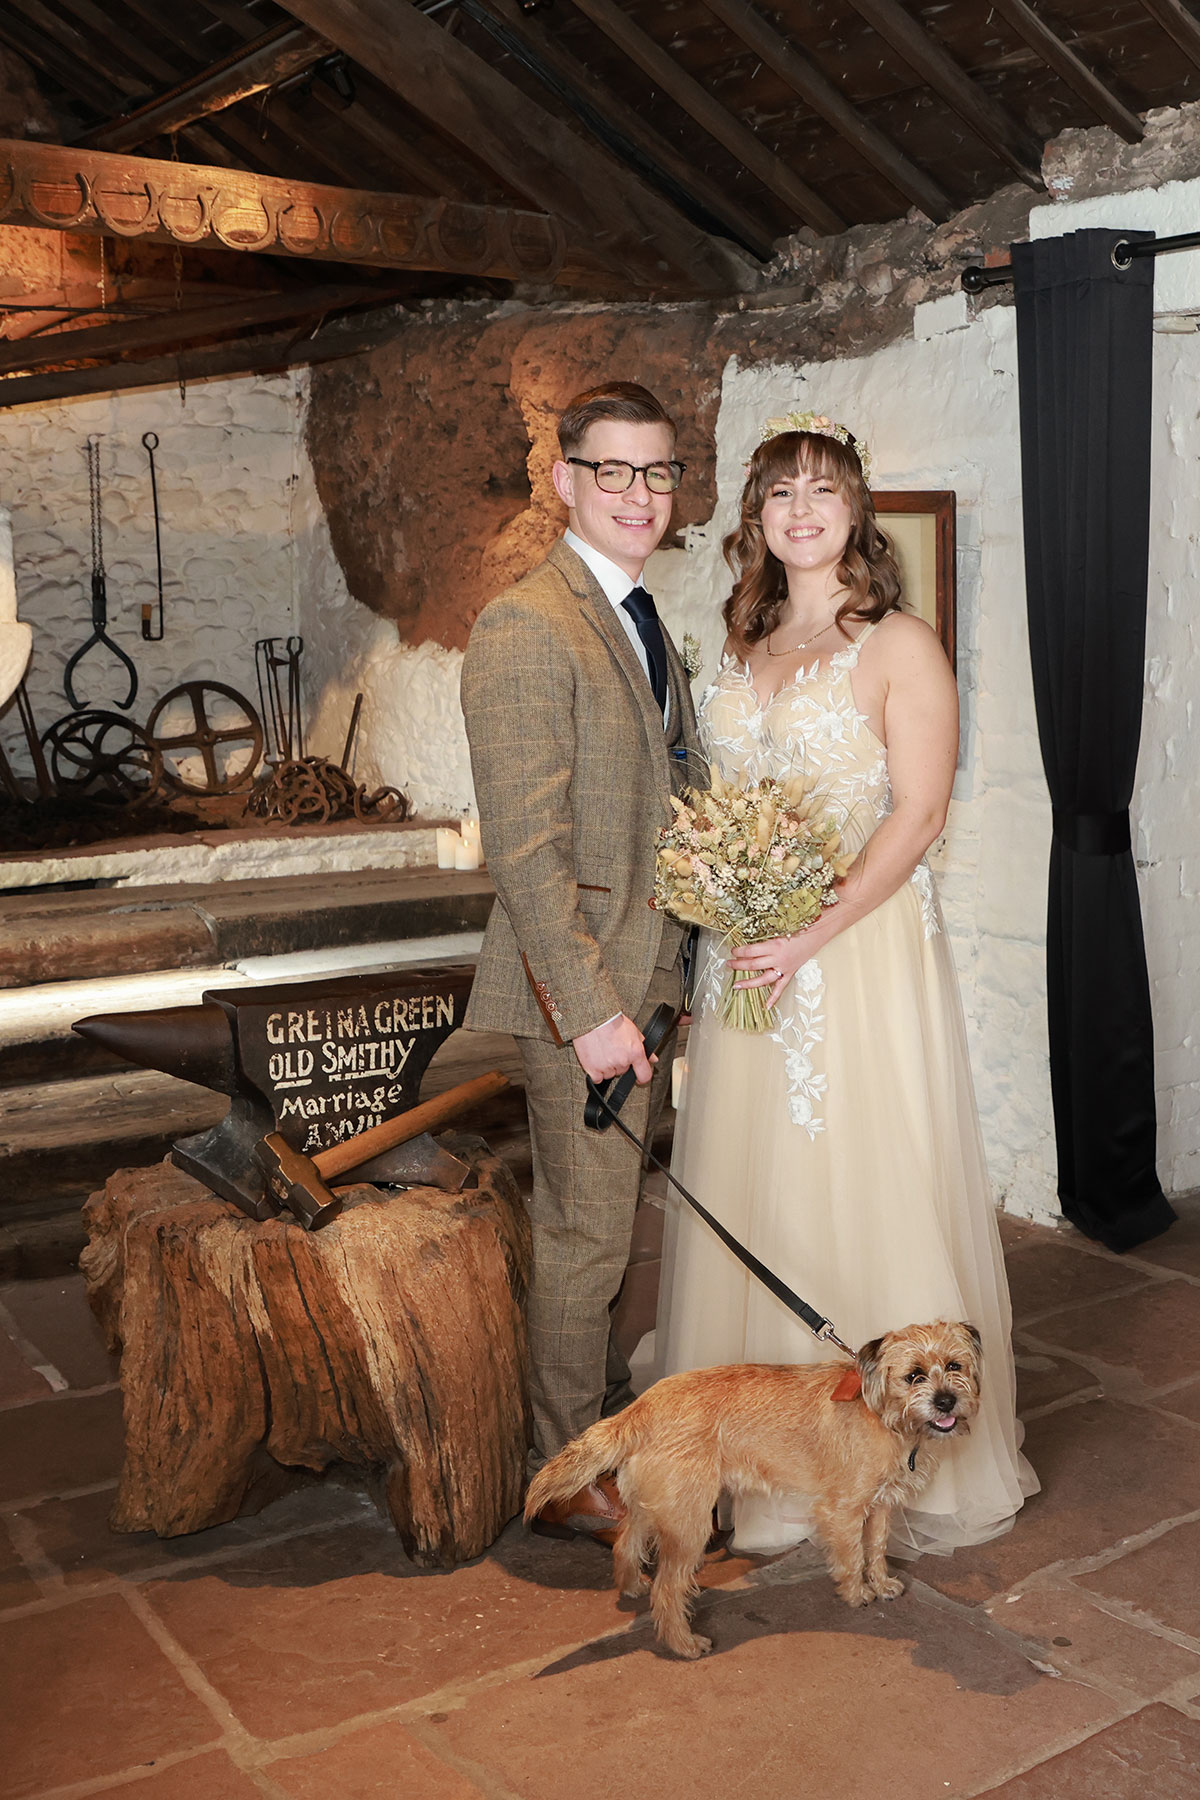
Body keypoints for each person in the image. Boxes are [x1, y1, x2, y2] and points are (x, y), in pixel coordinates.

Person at [655, 412, 1038, 1556]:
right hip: (750, 955)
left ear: (857, 512)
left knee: (860, 1173)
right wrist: (728, 903)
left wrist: (811, 931)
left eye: (826, 491)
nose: (804, 510)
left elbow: (917, 816)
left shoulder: (901, 645)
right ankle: (763, 1448)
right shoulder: (738, 641)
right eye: (782, 494)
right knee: (756, 1170)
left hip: (856, 952)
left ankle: (893, 1454)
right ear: (757, 520)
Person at [461, 381, 704, 1539]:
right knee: (585, 1230)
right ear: (564, 480)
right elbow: (524, 847)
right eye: (613, 471)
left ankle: (602, 1416)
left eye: (658, 472)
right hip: (586, 990)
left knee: (606, 1222)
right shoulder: (525, 624)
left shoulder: (645, 620)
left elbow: (673, 798)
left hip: (648, 976)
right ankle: (565, 1474)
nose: (639, 496)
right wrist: (594, 1011)